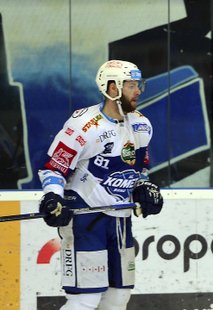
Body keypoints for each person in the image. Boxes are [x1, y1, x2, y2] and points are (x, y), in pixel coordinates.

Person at [38, 60, 164, 310]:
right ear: (113, 89)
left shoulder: (141, 125)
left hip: (120, 220)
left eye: (139, 85)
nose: (138, 91)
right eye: (131, 85)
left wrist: (143, 187)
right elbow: (54, 168)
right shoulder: (83, 126)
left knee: (119, 297)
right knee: (86, 299)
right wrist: (53, 198)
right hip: (86, 218)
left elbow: (139, 169)